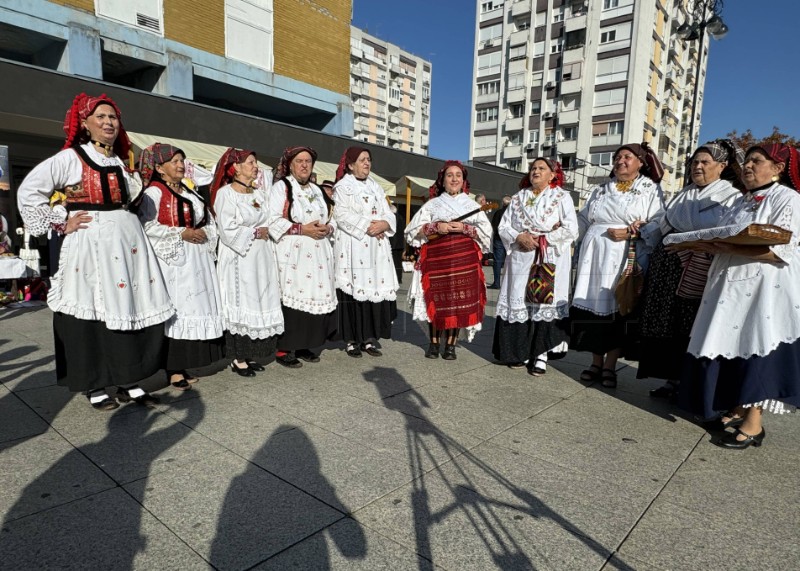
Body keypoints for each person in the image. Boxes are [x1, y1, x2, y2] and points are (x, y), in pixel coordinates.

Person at [16, 93, 173, 410]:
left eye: (113, 117)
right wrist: (61, 220)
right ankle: (96, 383)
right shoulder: (72, 158)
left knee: (128, 307)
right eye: (100, 116)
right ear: (84, 124)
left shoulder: (118, 160)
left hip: (127, 245)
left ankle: (129, 378)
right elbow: (29, 192)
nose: (108, 122)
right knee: (93, 309)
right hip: (91, 244)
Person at [678, 144, 800, 449]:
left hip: (764, 289)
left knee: (754, 345)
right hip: (729, 284)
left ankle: (754, 423)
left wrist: (726, 247)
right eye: (746, 162)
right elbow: (726, 235)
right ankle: (736, 407)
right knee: (728, 344)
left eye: (757, 161)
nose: (747, 166)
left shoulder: (788, 199)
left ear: (778, 168)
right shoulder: (740, 200)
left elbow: (780, 249)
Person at [637, 140, 743, 399]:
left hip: (699, 268)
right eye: (695, 162)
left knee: (690, 325)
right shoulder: (684, 194)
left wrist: (686, 240)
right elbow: (663, 223)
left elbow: (723, 230)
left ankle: (689, 383)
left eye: (705, 162)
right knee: (666, 325)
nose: (698, 166)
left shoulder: (730, 196)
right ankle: (671, 379)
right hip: (668, 269)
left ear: (722, 166)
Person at [570, 142, 665, 388]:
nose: (620, 161)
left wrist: (633, 233)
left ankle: (610, 366)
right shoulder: (601, 189)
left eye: (627, 157)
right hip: (595, 255)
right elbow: (583, 218)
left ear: (641, 163)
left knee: (617, 306)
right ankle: (595, 362)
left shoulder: (650, 190)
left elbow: (659, 221)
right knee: (592, 308)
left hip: (624, 254)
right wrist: (567, 238)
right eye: (617, 157)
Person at [138, 143, 225, 390]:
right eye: (174, 161)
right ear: (159, 168)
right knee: (177, 310)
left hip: (196, 260)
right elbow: (147, 226)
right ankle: (173, 369)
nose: (180, 165)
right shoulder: (154, 193)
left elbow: (207, 219)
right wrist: (181, 234)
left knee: (193, 307)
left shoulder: (189, 191)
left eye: (181, 161)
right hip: (173, 262)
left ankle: (186, 363)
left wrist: (204, 232)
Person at [492, 159, 578, 376]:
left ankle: (541, 354)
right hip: (521, 255)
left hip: (547, 255)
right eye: (533, 168)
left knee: (542, 300)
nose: (536, 171)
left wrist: (545, 238)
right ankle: (520, 351)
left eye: (541, 168)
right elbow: (504, 225)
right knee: (520, 299)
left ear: (552, 175)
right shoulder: (519, 197)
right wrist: (519, 236)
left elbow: (571, 228)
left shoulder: (561, 197)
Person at [405, 161, 492, 359]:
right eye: (450, 175)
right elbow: (412, 230)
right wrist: (436, 228)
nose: (454, 179)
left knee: (457, 301)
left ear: (463, 181)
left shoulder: (472, 205)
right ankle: (434, 344)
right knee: (436, 297)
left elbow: (487, 233)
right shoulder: (432, 204)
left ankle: (450, 346)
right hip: (436, 260)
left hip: (464, 261)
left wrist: (465, 229)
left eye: (458, 175)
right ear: (442, 181)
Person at [211, 148, 284, 377]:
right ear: (236, 168)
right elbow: (226, 228)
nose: (255, 167)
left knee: (258, 300)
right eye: (251, 162)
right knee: (241, 301)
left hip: (260, 257)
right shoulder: (226, 194)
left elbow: (271, 219)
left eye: (255, 163)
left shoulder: (259, 193)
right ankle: (238, 357)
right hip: (239, 257)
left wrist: (267, 230)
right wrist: (254, 232)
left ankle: (251, 352)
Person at [267, 146, 337, 367]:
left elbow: (332, 217)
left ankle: (305, 343)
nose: (305, 165)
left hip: (318, 254)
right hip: (293, 254)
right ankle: (284, 348)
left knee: (313, 297)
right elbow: (272, 220)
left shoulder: (317, 190)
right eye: (300, 161)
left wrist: (329, 229)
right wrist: (302, 229)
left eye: (308, 161)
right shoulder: (282, 187)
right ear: (290, 164)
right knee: (293, 299)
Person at [332, 146, 398, 358]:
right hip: (354, 246)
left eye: (368, 159)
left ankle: (369, 338)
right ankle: (352, 340)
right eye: (362, 160)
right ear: (350, 165)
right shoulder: (342, 187)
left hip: (376, 249)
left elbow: (389, 213)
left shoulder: (376, 187)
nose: (367, 163)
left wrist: (386, 224)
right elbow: (341, 214)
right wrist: (370, 226)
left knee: (373, 293)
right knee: (353, 294)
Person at [489, 195, 512, 288]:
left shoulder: (498, 212)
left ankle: (497, 283)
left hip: (499, 239)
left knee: (497, 262)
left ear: (503, 203)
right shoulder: (513, 214)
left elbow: (493, 226)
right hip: (511, 240)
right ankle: (508, 284)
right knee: (510, 262)